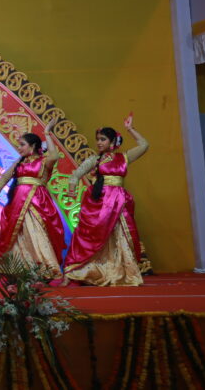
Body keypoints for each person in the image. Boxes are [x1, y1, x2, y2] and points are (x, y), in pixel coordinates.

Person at [62, 113, 149, 286]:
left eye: (103, 139)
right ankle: (81, 272)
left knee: (120, 236)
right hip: (99, 204)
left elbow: (144, 145)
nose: (99, 142)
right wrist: (72, 191)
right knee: (90, 237)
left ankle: (117, 272)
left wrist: (130, 129)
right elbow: (75, 176)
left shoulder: (124, 157)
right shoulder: (94, 160)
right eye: (98, 139)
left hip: (119, 203)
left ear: (112, 142)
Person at [0, 119, 66, 278]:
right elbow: (6, 176)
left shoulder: (44, 161)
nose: (19, 147)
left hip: (36, 202)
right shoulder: (19, 162)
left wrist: (47, 133)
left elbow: (54, 155)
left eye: (22, 144)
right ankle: (15, 269)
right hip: (18, 202)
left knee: (36, 233)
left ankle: (43, 269)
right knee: (16, 235)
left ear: (33, 146)